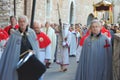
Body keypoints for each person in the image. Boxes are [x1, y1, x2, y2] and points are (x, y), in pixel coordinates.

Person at [0, 15, 45, 80]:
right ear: (18, 22)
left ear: (27, 23)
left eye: (24, 21)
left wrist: (33, 51)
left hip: (30, 59)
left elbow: (35, 46)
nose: (22, 23)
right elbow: (9, 50)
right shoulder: (14, 35)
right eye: (20, 21)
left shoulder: (32, 32)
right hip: (19, 61)